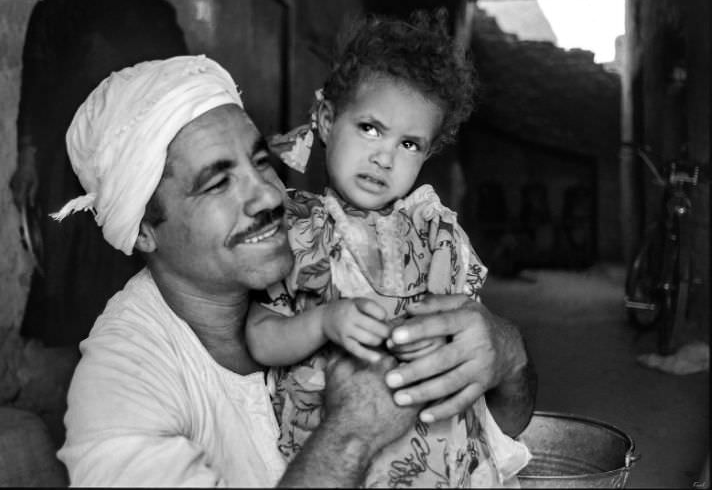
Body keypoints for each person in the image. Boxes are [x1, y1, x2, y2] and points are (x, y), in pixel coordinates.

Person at [53, 54, 536, 486]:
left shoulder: (335, 253)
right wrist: (351, 433)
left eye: (262, 164)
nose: (268, 196)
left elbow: (498, 431)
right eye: (218, 184)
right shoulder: (122, 387)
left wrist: (507, 357)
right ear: (142, 230)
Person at [247, 8, 531, 487]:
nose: (384, 157)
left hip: (437, 457)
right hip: (340, 457)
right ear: (326, 119)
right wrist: (322, 322)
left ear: (428, 154)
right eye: (370, 129)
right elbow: (258, 334)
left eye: (409, 144)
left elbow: (472, 336)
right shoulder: (293, 228)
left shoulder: (436, 234)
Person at [11, 0, 189, 346]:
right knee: (74, 289)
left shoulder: (156, 15)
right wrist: (27, 160)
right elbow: (36, 92)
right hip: (69, 170)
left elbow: (179, 93)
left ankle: (137, 385)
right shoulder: (53, 13)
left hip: (137, 167)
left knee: (130, 280)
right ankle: (85, 389)